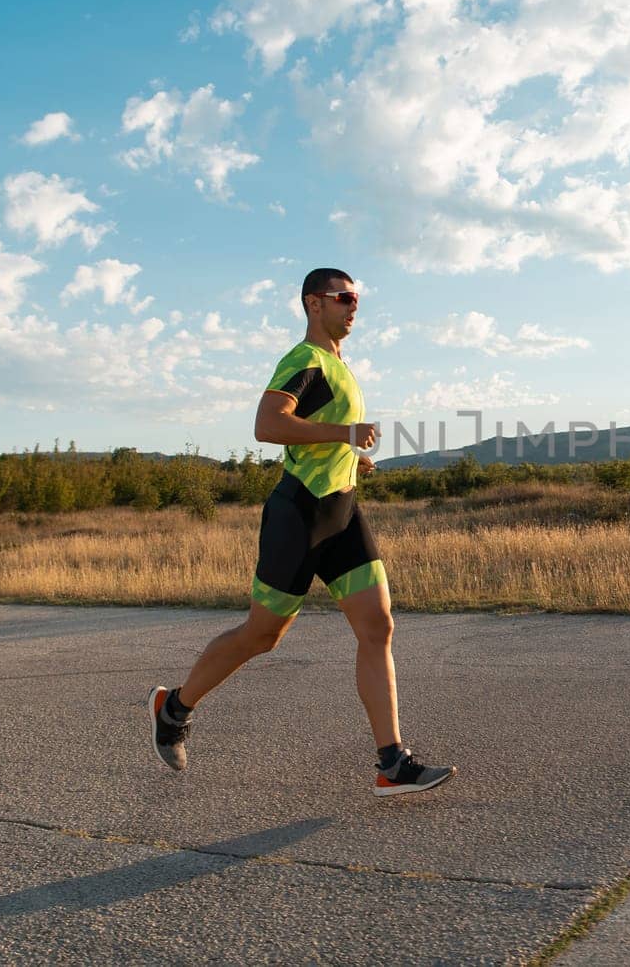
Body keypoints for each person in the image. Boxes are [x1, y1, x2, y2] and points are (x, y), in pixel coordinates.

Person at [148, 267, 455, 797]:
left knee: (378, 627)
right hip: (299, 516)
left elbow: (311, 440)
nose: (353, 306)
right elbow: (268, 426)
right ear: (315, 303)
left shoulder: (339, 365)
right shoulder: (305, 360)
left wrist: (350, 461)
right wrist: (346, 434)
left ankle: (392, 763)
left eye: (357, 298)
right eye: (344, 298)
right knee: (262, 636)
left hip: (343, 513)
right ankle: (173, 707)